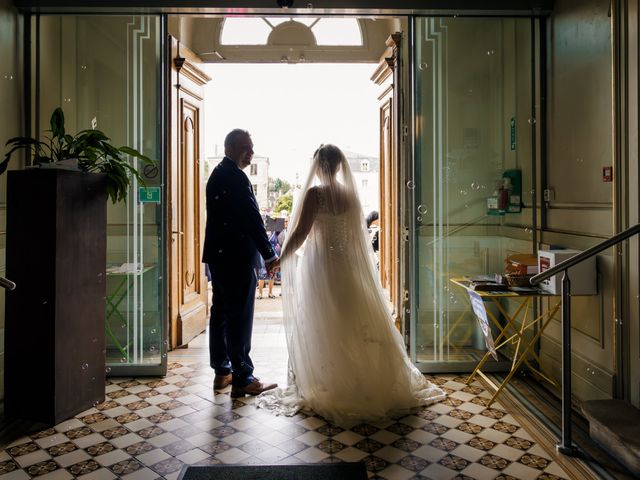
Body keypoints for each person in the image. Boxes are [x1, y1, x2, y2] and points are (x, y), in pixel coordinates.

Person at [257, 144, 445, 425]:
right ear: (338, 166)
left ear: (319, 167)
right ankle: (360, 382)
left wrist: (280, 259)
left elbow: (299, 233)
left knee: (324, 324)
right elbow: (358, 239)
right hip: (348, 267)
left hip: (321, 267)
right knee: (351, 323)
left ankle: (331, 384)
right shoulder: (350, 196)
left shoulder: (315, 195)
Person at [202, 129, 278, 398]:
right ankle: (244, 377)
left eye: (252, 147)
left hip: (220, 257)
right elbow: (252, 218)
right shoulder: (235, 177)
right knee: (240, 316)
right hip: (236, 257)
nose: (251, 152)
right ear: (230, 147)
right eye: (246, 147)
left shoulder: (218, 175)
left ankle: (222, 372)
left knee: (221, 313)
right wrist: (269, 254)